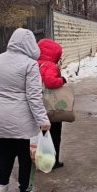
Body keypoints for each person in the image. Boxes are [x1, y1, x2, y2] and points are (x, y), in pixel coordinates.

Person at [0, 28, 50, 192]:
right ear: (29, 44)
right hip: (22, 121)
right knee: (26, 157)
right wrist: (42, 120)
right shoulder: (29, 65)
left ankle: (1, 186)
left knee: (6, 153)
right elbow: (34, 96)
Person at [37, 38, 67, 169]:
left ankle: (39, 159)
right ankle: (53, 160)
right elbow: (50, 82)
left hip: (36, 105)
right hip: (50, 106)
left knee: (41, 134)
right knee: (54, 133)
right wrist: (62, 80)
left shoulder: (34, 64)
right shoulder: (50, 65)